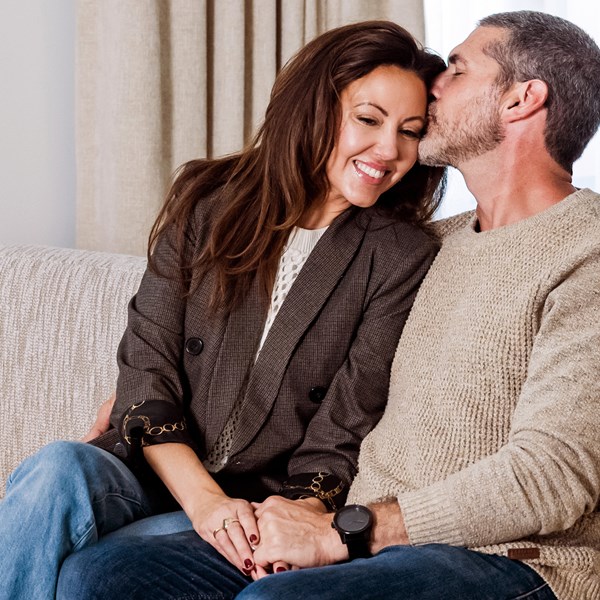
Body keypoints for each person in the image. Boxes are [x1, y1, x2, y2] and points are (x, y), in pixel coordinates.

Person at [57, 10, 600, 600]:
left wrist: (348, 532)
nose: (437, 80)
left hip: (509, 558)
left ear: (523, 99)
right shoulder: (431, 249)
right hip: (359, 543)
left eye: (460, 69)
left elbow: (555, 476)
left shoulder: (585, 252)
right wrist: (146, 387)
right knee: (102, 575)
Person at [0, 21, 447, 599]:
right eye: (368, 119)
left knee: (103, 570)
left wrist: (294, 523)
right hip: (154, 471)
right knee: (55, 468)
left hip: (260, 501)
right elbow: (147, 363)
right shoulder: (210, 199)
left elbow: (347, 421)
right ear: (315, 106)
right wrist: (204, 501)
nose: (389, 150)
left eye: (410, 132)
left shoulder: (398, 254)